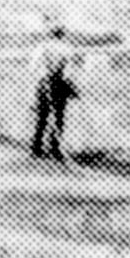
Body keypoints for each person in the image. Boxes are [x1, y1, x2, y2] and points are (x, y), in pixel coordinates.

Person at [27, 27, 81, 160]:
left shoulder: (42, 47)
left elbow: (33, 67)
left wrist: (39, 80)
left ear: (51, 34)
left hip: (44, 82)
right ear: (62, 35)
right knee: (58, 116)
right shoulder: (66, 48)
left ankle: (37, 148)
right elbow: (70, 69)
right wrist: (71, 85)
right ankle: (54, 148)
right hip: (59, 82)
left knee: (42, 116)